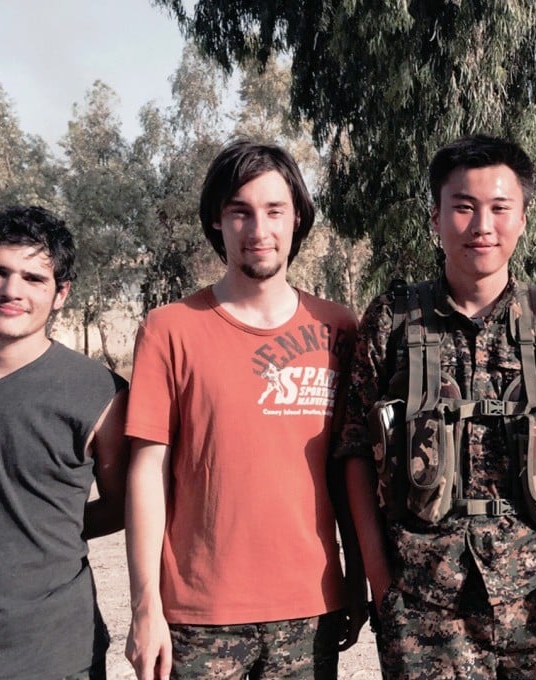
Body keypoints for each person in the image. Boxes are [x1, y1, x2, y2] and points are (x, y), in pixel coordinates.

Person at [336, 134, 536, 679]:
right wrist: (381, 583)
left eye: (498, 208)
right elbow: (354, 452)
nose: (481, 225)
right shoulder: (393, 321)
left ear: (523, 220)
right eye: (462, 207)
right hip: (423, 608)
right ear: (436, 218)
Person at [124, 140, 364, 680]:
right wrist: (145, 607)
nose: (259, 229)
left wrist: (356, 577)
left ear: (297, 217)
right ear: (217, 220)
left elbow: (348, 468)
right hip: (199, 617)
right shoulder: (169, 329)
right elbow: (147, 473)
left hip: (309, 609)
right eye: (240, 211)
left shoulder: (339, 329)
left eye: (275, 210)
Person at [0, 206, 129, 679]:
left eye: (33, 278)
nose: (11, 291)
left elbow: (126, 505)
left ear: (61, 294)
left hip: (54, 653)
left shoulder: (100, 395)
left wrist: (46, 528)